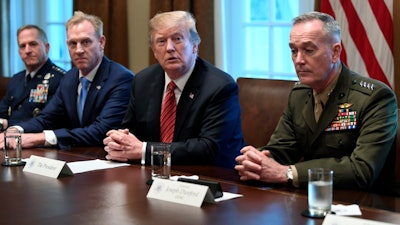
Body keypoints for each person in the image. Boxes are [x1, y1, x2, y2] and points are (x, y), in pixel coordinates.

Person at [235, 12, 398, 193]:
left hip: (365, 203)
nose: (298, 60)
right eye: (294, 50)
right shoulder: (299, 94)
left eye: (309, 50)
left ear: (335, 52)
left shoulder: (375, 97)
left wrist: (289, 173)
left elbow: (362, 170)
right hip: (312, 196)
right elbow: (283, 149)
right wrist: (256, 161)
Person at [103, 11, 244, 169]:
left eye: (177, 39)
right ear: (155, 51)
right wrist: (119, 141)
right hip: (156, 173)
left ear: (194, 46)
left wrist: (144, 151)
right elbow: (130, 130)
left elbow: (207, 148)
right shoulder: (142, 81)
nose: (169, 48)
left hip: (210, 178)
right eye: (161, 41)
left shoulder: (220, 87)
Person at [0, 11, 134, 149]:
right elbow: (47, 118)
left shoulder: (121, 79)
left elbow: (101, 131)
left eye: (86, 42)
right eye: (73, 43)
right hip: (75, 156)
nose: (79, 50)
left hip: (107, 159)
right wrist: (16, 130)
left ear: (101, 42)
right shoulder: (69, 78)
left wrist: (42, 138)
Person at [0, 25, 65, 131]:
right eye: (22, 46)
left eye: (33, 44)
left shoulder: (60, 79)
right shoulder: (16, 79)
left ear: (47, 47)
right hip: (9, 138)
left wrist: (8, 123)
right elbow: (2, 111)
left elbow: (50, 119)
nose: (27, 50)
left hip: (37, 141)